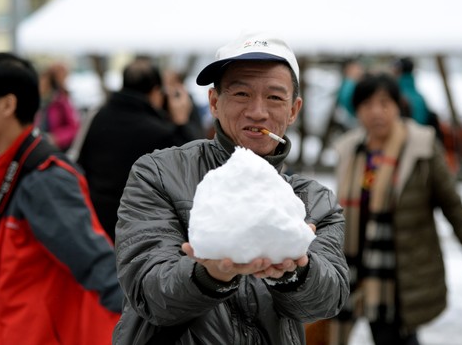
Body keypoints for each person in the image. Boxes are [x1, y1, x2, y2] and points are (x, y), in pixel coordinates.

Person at [113, 32, 350, 344]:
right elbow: (148, 293)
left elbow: (328, 300)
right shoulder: (159, 174)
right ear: (214, 102)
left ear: (294, 110)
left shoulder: (314, 202)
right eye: (241, 94)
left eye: (275, 97)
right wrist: (209, 276)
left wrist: (296, 274)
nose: (257, 112)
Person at [0, 52, 122, 344]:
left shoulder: (44, 179)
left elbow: (98, 265)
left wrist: (141, 327)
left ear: (7, 104)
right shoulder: (7, 169)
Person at [330, 73, 462, 345]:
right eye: (367, 105)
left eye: (384, 103)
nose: (376, 112)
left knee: (395, 336)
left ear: (397, 106)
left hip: (398, 273)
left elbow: (452, 204)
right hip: (352, 268)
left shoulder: (421, 148)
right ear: (357, 111)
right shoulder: (350, 151)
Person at [77, 58, 204, 241]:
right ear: (155, 92)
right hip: (139, 229)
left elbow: (82, 164)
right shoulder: (160, 132)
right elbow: (194, 166)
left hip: (96, 224)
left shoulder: (98, 117)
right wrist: (182, 122)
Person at [34, 62, 80, 152]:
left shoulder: (61, 102)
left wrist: (57, 138)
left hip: (54, 149)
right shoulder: (34, 102)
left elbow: (74, 128)